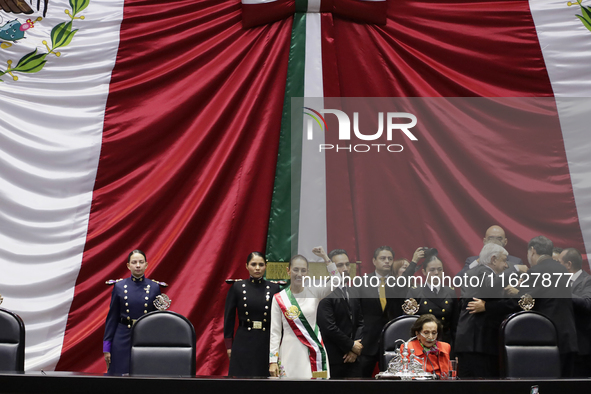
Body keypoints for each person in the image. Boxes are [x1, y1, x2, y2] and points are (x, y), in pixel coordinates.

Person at [269, 247, 338, 379]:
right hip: (289, 351)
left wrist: (325, 257)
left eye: (303, 270)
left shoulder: (314, 293)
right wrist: (273, 360)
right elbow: (275, 332)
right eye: (295, 270)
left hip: (313, 351)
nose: (299, 274)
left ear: (307, 273)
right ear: (288, 271)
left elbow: (336, 280)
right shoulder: (279, 298)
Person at [357, 246, 423, 377]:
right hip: (368, 340)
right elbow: (357, 312)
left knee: (393, 382)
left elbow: (402, 283)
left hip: (393, 340)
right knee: (361, 380)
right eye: (382, 258)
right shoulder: (363, 282)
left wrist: (414, 262)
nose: (387, 261)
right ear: (374, 261)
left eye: (390, 259)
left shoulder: (398, 282)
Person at [455, 243, 516, 378]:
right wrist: (516, 269)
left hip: (472, 342)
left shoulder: (476, 273)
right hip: (478, 344)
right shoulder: (482, 272)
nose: (506, 266)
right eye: (504, 260)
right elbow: (491, 285)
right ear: (493, 259)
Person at [103, 250, 161, 375]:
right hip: (123, 335)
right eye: (134, 262)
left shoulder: (155, 287)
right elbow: (112, 318)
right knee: (120, 374)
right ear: (128, 266)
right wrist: (106, 347)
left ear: (146, 264)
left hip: (146, 336)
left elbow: (157, 320)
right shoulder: (119, 286)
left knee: (144, 374)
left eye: (141, 262)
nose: (138, 265)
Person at [224, 252, 280, 377]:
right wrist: (229, 345)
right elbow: (229, 318)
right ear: (246, 266)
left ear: (266, 266)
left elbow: (278, 321)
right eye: (253, 264)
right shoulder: (237, 287)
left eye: (261, 264)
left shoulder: (274, 288)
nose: (257, 268)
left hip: (265, 340)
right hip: (243, 340)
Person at [317, 249, 364, 378]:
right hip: (335, 358)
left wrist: (355, 349)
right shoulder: (324, 292)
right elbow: (329, 327)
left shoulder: (354, 291)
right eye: (339, 265)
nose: (345, 268)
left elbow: (360, 322)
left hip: (354, 358)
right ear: (330, 268)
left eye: (347, 264)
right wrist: (351, 345)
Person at [407, 249, 458, 348]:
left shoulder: (450, 292)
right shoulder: (415, 292)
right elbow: (409, 323)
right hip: (421, 343)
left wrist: (455, 350)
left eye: (439, 269)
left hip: (444, 342)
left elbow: (455, 324)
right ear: (424, 272)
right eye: (432, 270)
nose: (436, 273)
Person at [559, 247, 591, 377]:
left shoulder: (587, 281)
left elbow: (587, 303)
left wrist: (562, 291)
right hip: (565, 344)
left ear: (568, 264)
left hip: (581, 347)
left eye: (559, 263)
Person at [455, 225, 525, 278]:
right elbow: (458, 281)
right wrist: (479, 261)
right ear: (484, 241)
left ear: (505, 241)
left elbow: (525, 286)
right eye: (491, 239)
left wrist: (516, 292)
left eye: (499, 239)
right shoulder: (472, 261)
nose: (495, 242)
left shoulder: (515, 262)